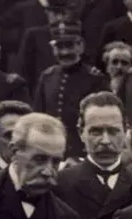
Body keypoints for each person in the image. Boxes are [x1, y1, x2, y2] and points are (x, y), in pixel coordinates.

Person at [33, 21, 110, 160]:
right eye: (59, 46)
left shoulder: (95, 79)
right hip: (50, 151)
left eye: (69, 45)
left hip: (80, 154)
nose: (64, 52)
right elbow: (38, 117)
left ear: (80, 46)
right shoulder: (47, 77)